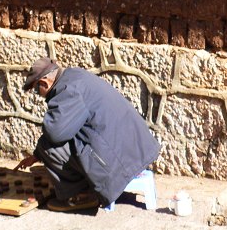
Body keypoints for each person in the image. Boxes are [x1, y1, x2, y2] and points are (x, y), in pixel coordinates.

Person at [15, 57, 161, 211]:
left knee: (48, 147)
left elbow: (54, 134)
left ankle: (80, 196)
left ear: (44, 83)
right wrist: (36, 156)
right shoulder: (75, 76)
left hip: (120, 163)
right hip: (137, 151)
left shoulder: (67, 91)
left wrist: (42, 149)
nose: (38, 94)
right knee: (54, 144)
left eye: (36, 89)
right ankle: (85, 184)